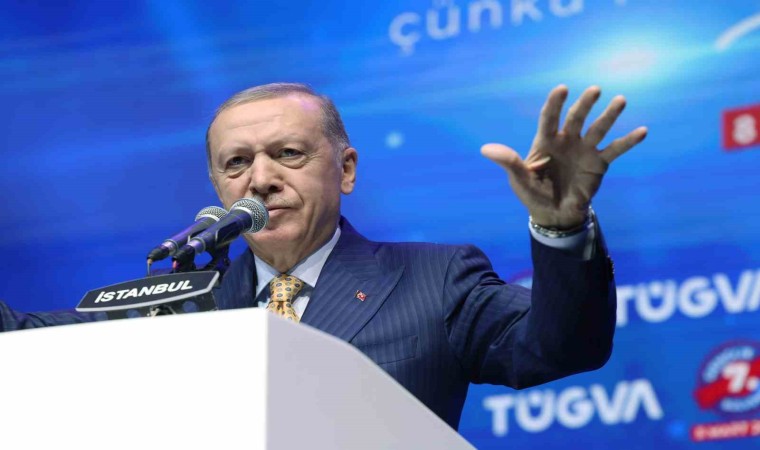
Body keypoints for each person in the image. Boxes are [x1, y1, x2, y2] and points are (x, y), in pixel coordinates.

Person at [0, 82, 646, 429]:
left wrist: (560, 226)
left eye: (287, 154)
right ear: (218, 188)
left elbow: (560, 346)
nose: (260, 179)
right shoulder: (176, 309)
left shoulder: (435, 278)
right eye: (236, 164)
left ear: (346, 170)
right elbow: (20, 342)